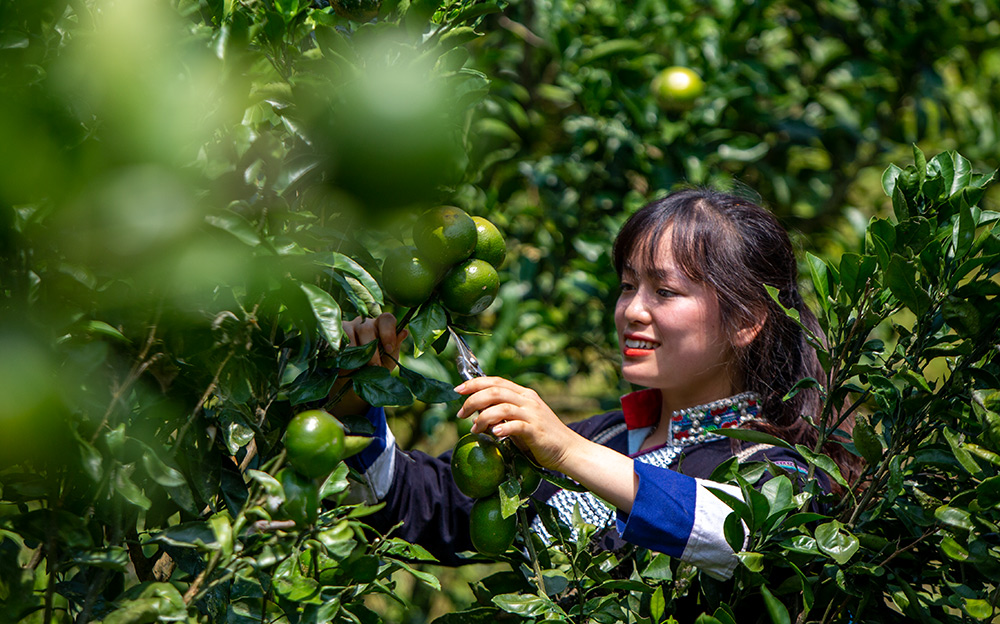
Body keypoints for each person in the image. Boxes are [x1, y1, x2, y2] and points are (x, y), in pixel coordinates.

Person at [331, 188, 858, 580]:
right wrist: (358, 397)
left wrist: (565, 450)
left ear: (746, 320)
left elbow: (743, 536)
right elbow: (417, 507)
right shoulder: (608, 438)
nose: (632, 310)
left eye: (665, 291)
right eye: (628, 285)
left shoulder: (780, 466)